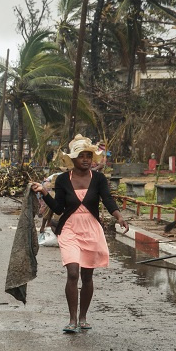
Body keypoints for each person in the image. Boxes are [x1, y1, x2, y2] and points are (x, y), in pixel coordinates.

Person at [31, 136, 128, 333]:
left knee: (87, 275)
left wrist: (119, 216)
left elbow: (108, 200)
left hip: (92, 229)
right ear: (72, 159)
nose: (85, 159)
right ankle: (72, 319)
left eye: (88, 156)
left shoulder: (99, 179)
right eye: (80, 156)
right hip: (70, 229)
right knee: (73, 272)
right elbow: (58, 208)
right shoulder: (63, 180)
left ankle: (83, 316)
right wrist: (43, 191)